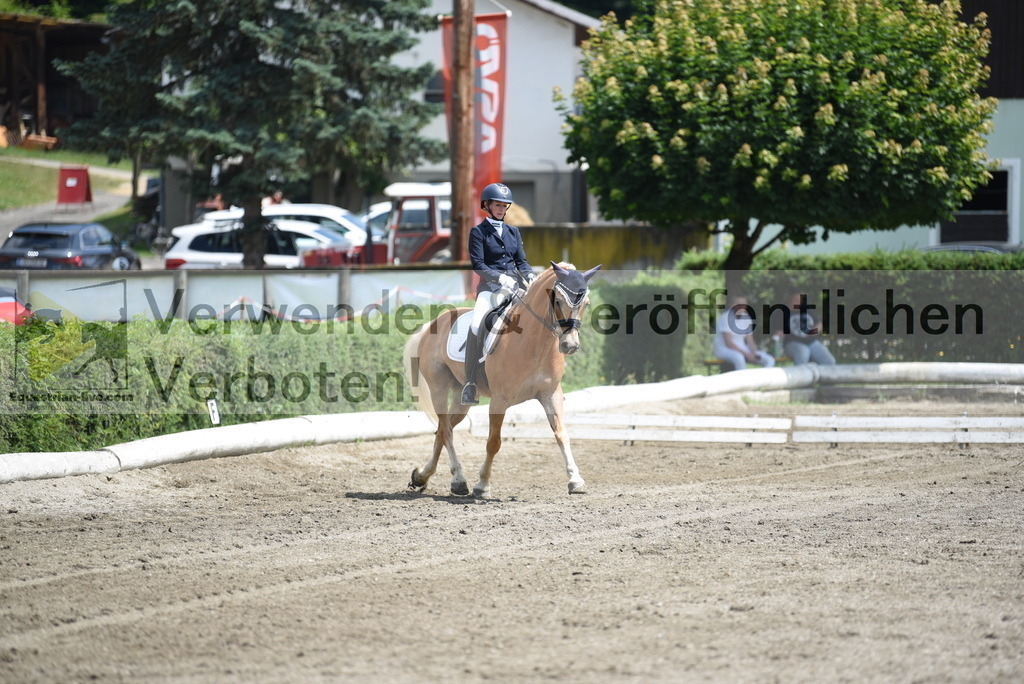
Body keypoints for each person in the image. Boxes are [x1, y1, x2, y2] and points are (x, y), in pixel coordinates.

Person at [461, 182, 535, 405]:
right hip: (490, 289)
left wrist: (530, 276)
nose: (502, 209)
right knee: (476, 325)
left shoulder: (513, 231)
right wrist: (499, 277)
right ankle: (471, 382)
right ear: (487, 205)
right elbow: (478, 265)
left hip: (515, 288)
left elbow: (521, 261)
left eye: (505, 205)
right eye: (497, 205)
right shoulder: (478, 232)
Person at [713, 295, 775, 371]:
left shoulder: (747, 318)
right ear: (732, 305)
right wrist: (747, 355)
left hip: (743, 349)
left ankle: (764, 381)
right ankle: (742, 382)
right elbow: (729, 343)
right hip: (724, 350)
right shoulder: (725, 317)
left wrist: (754, 353)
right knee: (739, 358)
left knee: (769, 360)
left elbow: (750, 340)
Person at [778, 292, 836, 366]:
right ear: (789, 300)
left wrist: (813, 331)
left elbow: (819, 324)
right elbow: (779, 333)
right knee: (803, 352)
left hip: (812, 342)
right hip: (792, 343)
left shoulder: (807, 310)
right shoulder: (781, 313)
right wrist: (779, 347)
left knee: (830, 361)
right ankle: (799, 376)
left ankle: (822, 377)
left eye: (800, 300)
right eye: (796, 300)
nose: (799, 302)